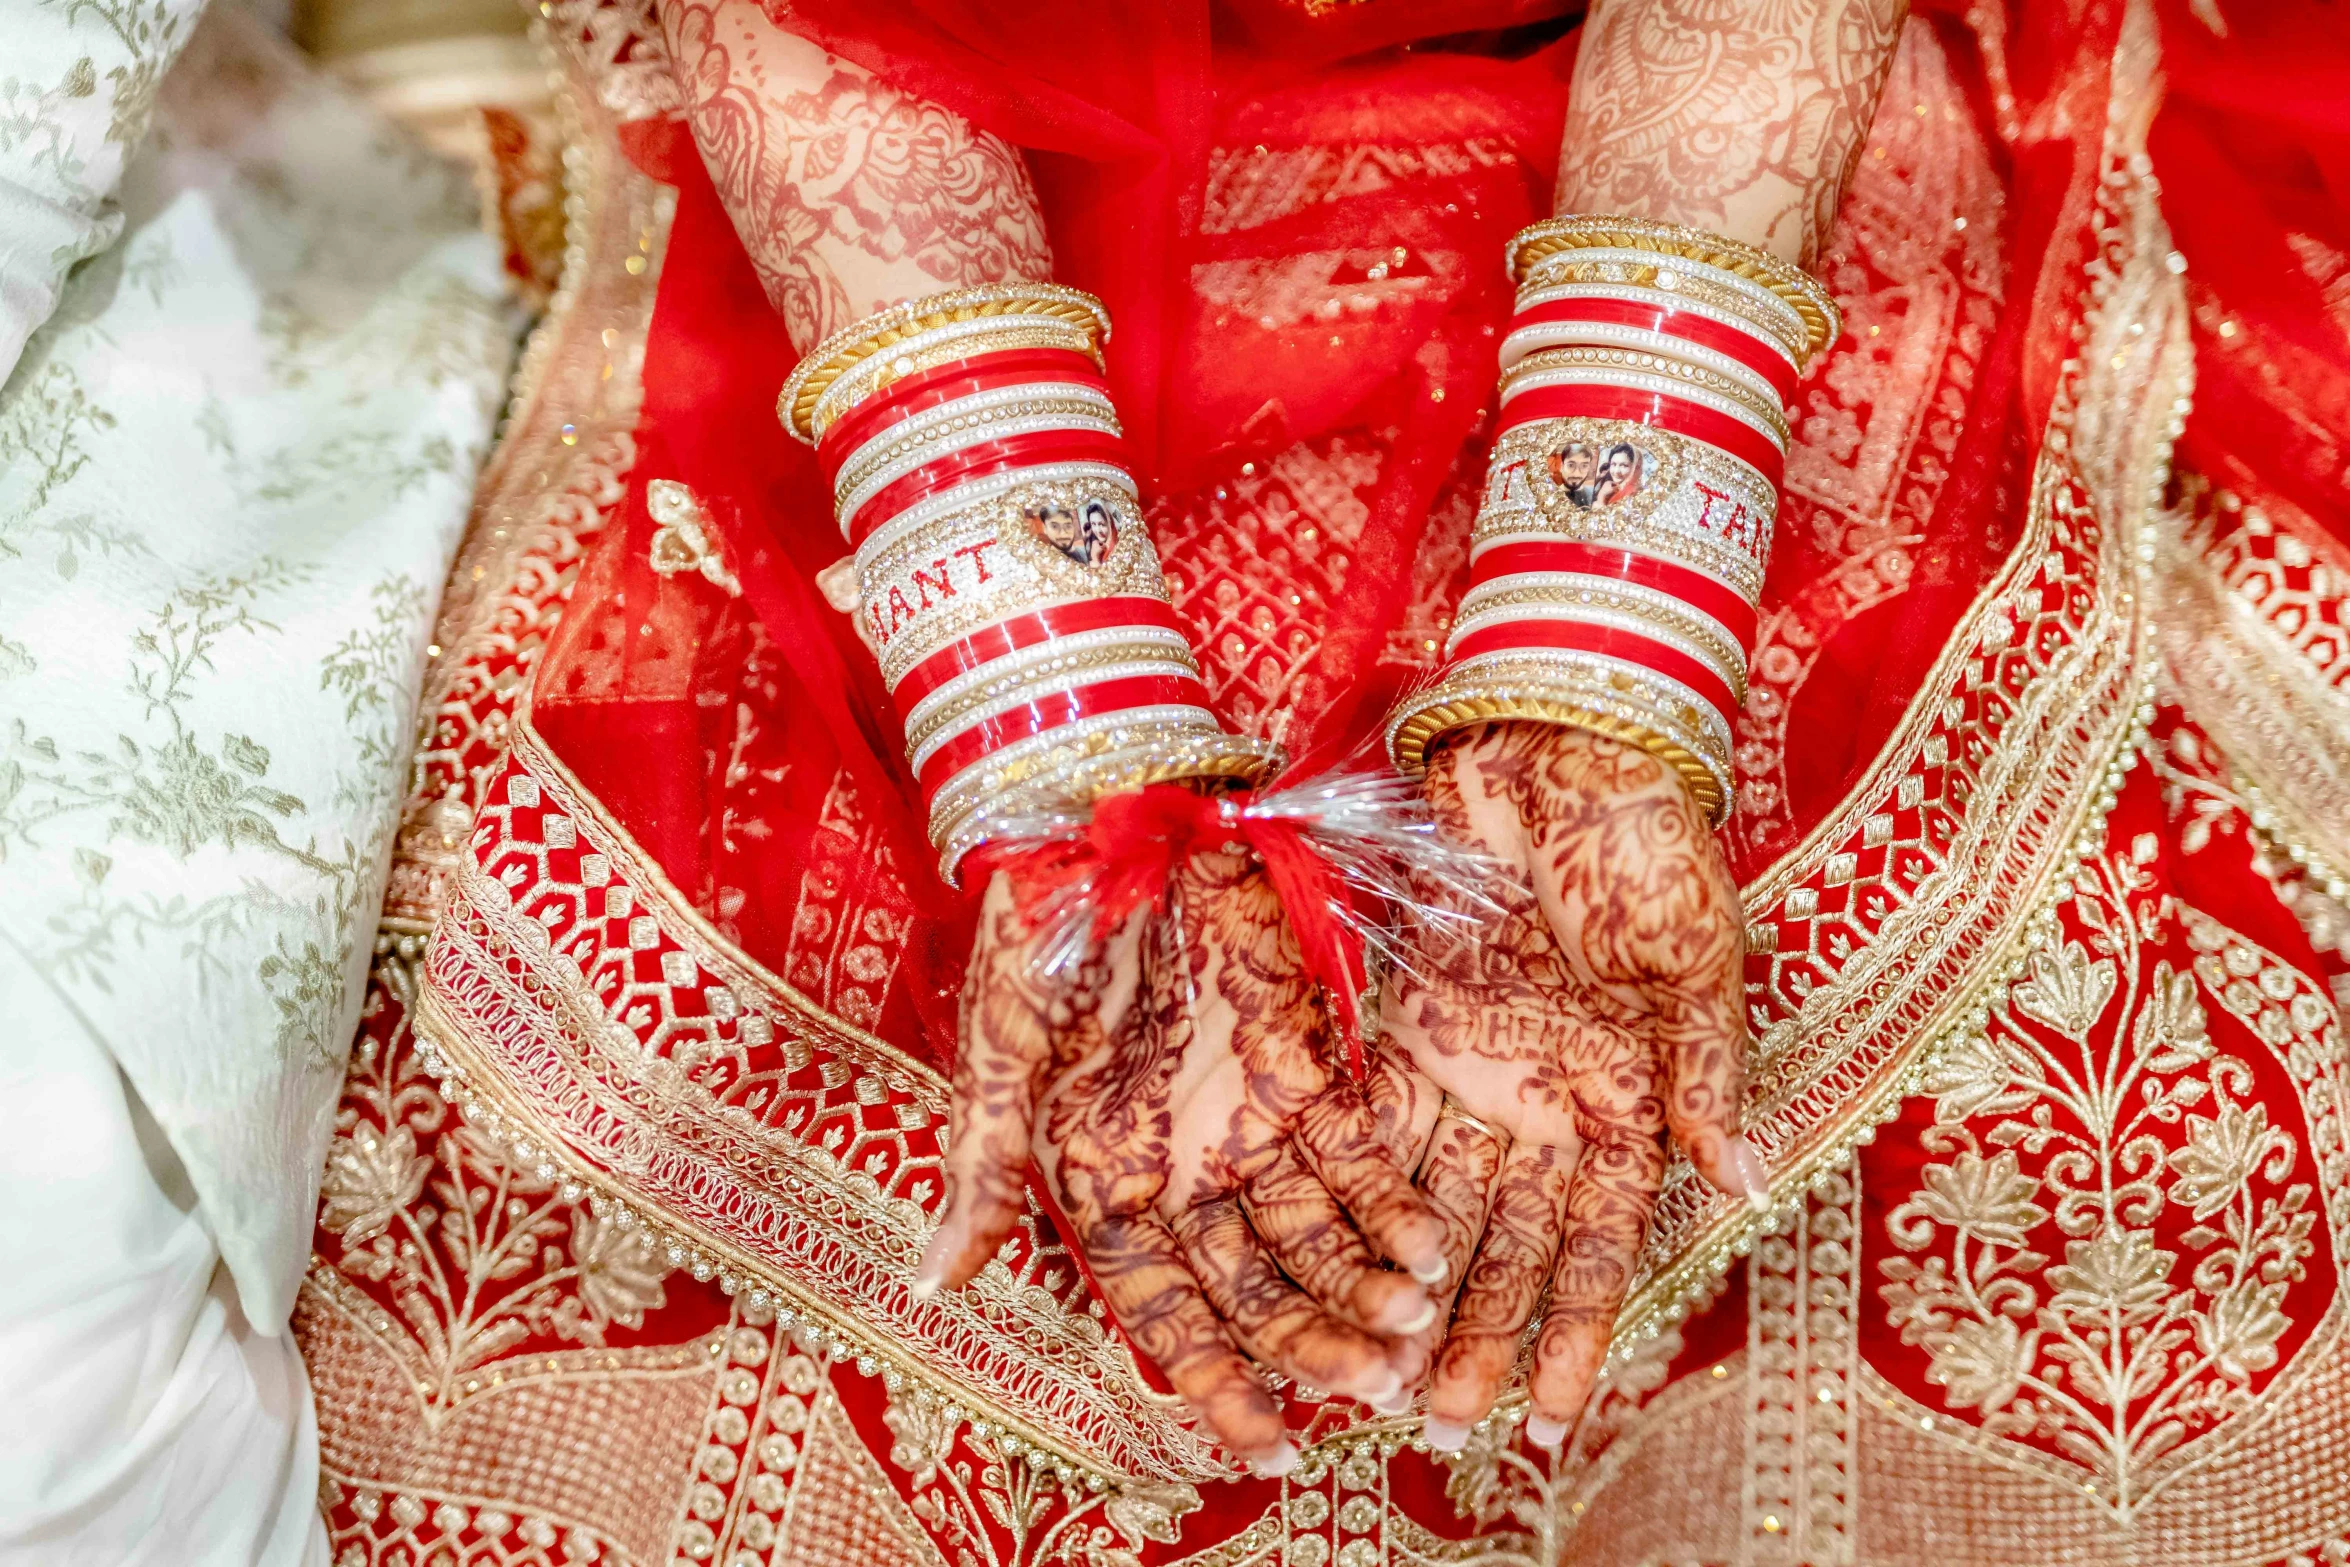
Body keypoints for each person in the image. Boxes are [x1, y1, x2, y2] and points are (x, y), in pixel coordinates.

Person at [293, 0, 2350, 1563]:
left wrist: (1596, 665)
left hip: (1709, 123)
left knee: (2068, 1106)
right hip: (893, 169)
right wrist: (1048, 725)